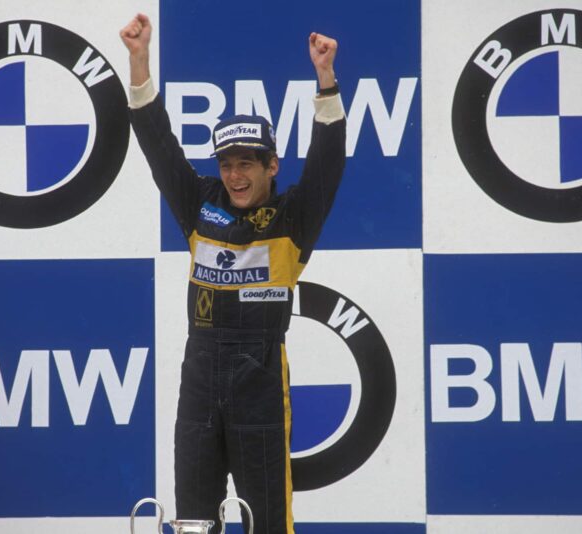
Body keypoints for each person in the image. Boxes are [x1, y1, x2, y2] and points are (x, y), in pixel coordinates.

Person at [120, 14, 346, 534]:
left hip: (260, 378)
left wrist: (326, 79)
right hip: (199, 374)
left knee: (267, 520)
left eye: (248, 163)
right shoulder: (199, 204)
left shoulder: (295, 217)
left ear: (272, 166)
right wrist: (138, 61)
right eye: (227, 163)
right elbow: (158, 145)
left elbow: (329, 164)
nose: (235, 175)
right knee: (194, 522)